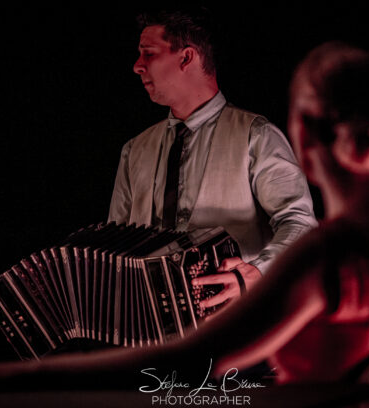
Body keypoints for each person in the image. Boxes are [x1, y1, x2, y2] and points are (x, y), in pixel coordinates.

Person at [0, 41, 369, 390]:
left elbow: (195, 360)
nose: (137, 66)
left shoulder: (322, 252)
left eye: (148, 53)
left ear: (301, 134)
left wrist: (21, 375)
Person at [108, 9, 317, 308]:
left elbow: (301, 223)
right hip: (147, 325)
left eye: (148, 53)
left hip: (236, 323)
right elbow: (113, 249)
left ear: (186, 57)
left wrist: (257, 271)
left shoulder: (256, 135)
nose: (137, 66)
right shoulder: (134, 150)